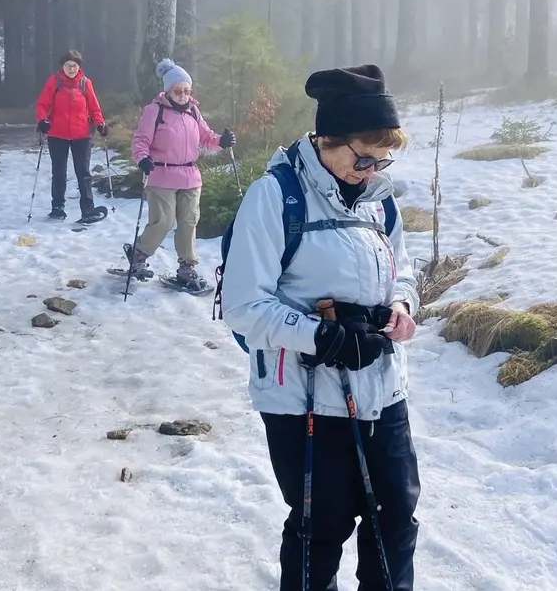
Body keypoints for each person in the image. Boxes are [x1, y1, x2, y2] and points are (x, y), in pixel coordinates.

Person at [218, 64, 421, 591]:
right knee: (323, 527)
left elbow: (404, 270)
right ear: (327, 139)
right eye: (363, 156)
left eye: (383, 158)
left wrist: (399, 305)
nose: (372, 168)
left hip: (382, 388)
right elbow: (243, 305)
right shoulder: (275, 196)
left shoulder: (380, 198)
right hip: (304, 398)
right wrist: (322, 336)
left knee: (394, 521)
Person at [127, 58, 236, 290]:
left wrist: (223, 142)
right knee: (163, 222)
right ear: (168, 90)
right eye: (178, 91)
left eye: (187, 90)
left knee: (189, 221)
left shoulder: (193, 112)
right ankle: (138, 255)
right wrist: (142, 158)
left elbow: (207, 138)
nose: (183, 95)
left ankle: (187, 267)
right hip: (161, 174)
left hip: (190, 175)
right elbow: (141, 140)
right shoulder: (154, 111)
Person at [34, 50, 108, 224]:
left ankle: (87, 209)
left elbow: (95, 108)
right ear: (62, 67)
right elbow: (42, 104)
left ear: (79, 67)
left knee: (83, 173)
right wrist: (42, 121)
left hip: (81, 135)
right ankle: (57, 207)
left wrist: (101, 124)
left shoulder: (85, 83)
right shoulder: (54, 82)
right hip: (57, 134)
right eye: (68, 65)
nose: (71, 69)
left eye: (74, 65)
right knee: (59, 172)